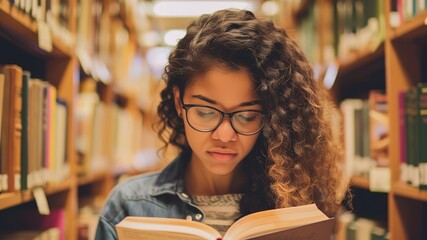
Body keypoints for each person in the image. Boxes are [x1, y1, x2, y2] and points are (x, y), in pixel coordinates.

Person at [95, 8, 348, 239]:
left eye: (247, 115)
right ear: (179, 102)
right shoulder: (128, 205)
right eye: (206, 111)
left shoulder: (300, 207)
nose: (225, 135)